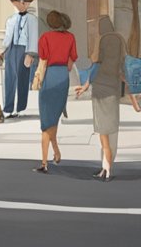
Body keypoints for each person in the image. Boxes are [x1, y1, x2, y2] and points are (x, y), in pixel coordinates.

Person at [76, 15, 139, 181]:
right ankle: (108, 164)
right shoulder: (120, 39)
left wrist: (86, 85)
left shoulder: (101, 39)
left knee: (101, 127)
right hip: (113, 88)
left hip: (100, 87)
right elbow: (124, 64)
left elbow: (95, 63)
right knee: (112, 127)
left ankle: (105, 166)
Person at [33, 10, 76, 173]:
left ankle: (44, 162)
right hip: (63, 76)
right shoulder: (70, 37)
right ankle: (56, 152)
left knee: (46, 121)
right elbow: (71, 61)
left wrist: (39, 77)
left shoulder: (45, 38)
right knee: (54, 117)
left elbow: (43, 60)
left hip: (49, 76)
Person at [0, 0, 38, 119]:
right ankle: (8, 107)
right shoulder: (11, 19)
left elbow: (33, 36)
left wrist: (30, 54)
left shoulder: (32, 20)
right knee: (9, 78)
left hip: (24, 50)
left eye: (16, 1)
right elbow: (7, 37)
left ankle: (20, 107)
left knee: (23, 79)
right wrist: (1, 50)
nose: (15, 4)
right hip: (11, 49)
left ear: (23, 3)